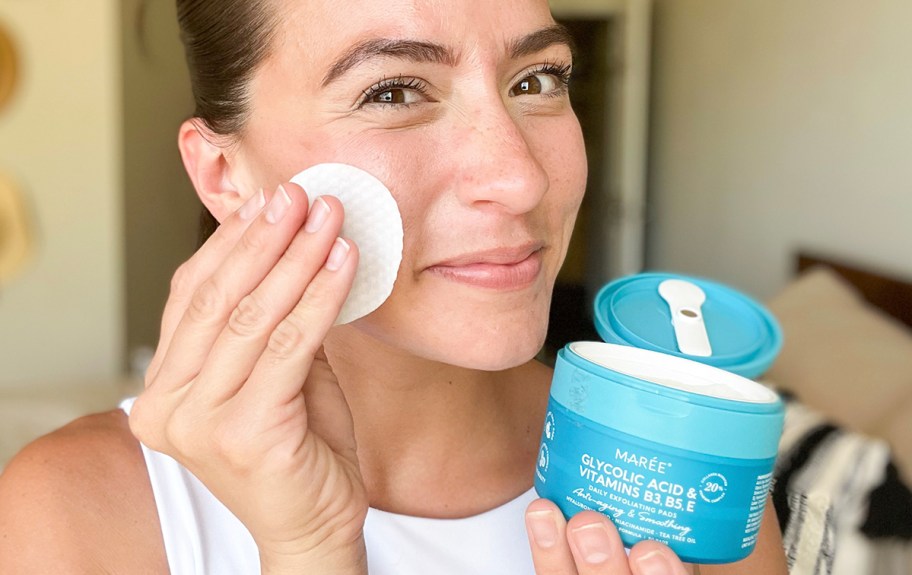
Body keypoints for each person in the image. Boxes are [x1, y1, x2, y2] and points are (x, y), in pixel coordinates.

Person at [0, 0, 789, 573]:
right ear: (224, 174)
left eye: (537, 79)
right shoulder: (73, 517)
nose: (518, 178)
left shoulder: (691, 480)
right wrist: (307, 553)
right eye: (394, 91)